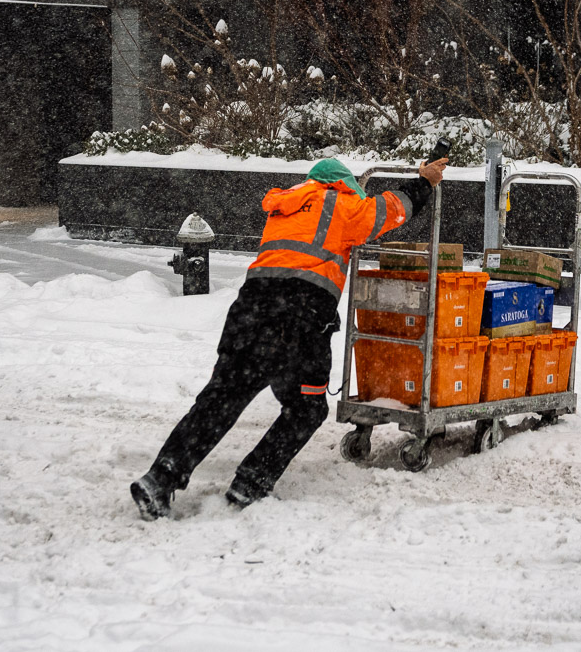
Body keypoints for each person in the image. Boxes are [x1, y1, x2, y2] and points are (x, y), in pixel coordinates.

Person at [131, 156, 448, 520]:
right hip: (300, 317)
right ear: (343, 185)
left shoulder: (284, 208)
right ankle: (250, 483)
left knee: (221, 399)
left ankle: (160, 479)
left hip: (249, 311)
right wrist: (424, 181)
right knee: (306, 408)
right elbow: (392, 209)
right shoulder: (341, 205)